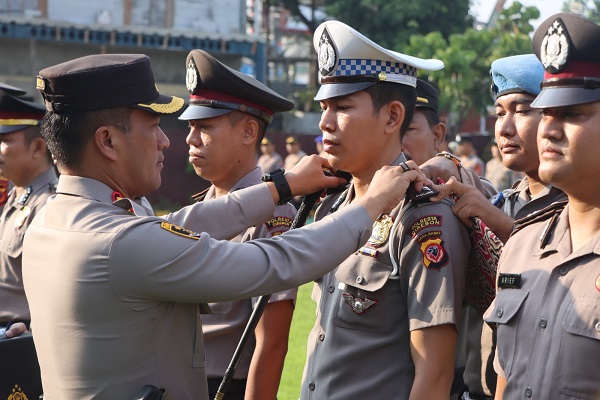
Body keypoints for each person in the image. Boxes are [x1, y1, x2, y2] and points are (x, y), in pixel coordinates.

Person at [22, 53, 426, 400]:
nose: (167, 141)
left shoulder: (55, 221)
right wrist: (371, 204)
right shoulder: (117, 241)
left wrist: (281, 186)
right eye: (152, 126)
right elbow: (272, 262)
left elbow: (180, 226)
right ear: (108, 142)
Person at [300, 21, 470, 399]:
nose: (325, 123)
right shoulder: (334, 207)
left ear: (393, 117)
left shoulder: (424, 219)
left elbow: (435, 374)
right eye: (324, 106)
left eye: (342, 107)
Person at [432, 53, 569, 399]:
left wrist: (493, 220)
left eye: (522, 111)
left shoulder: (579, 206)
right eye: (499, 113)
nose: (505, 128)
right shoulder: (504, 201)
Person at [482, 13, 600, 399]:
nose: (549, 129)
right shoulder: (522, 244)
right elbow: (505, 383)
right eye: (547, 112)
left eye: (571, 114)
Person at [179, 49, 297, 400]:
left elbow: (272, 343)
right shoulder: (203, 206)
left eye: (204, 127)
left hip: (227, 386)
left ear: (248, 132)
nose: (190, 138)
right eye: (190, 126)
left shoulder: (273, 215)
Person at [0, 83, 58, 332]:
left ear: (37, 148)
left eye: (4, 141)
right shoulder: (15, 196)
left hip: (20, 336)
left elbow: (55, 294)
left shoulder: (50, 204)